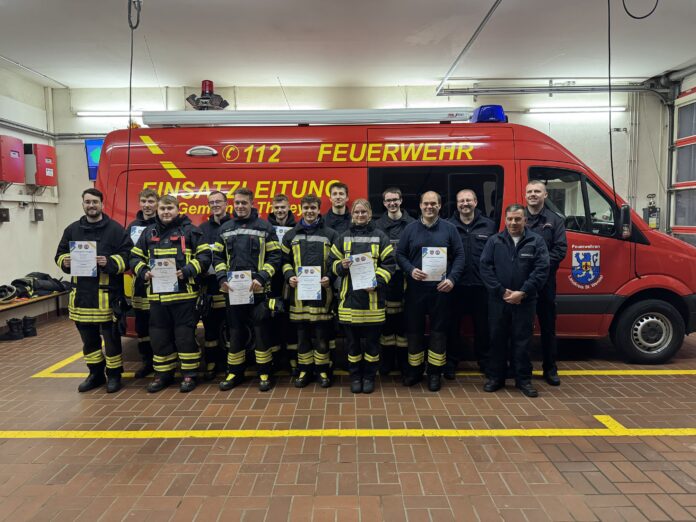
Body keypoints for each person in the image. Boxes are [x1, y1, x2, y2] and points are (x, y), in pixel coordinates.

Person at [130, 194, 211, 393]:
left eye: (170, 208)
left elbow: (205, 256)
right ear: (157, 210)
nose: (166, 212)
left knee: (185, 337)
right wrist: (143, 271)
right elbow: (134, 257)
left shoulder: (191, 231)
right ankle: (163, 375)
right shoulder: (149, 233)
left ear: (178, 209)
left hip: (184, 297)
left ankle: (189, 374)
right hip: (157, 298)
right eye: (163, 209)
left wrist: (187, 271)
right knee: (159, 337)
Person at [55, 188, 132, 393]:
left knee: (112, 341)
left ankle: (114, 375)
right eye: (87, 202)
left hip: (107, 297)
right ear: (83, 204)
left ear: (102, 204)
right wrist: (66, 261)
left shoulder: (115, 230)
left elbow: (127, 257)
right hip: (81, 296)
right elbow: (59, 254)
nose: (91, 206)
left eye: (95, 202)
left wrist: (109, 261)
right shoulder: (72, 229)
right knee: (89, 341)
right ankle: (95, 374)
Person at [213, 187, 281, 392]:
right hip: (233, 291)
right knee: (235, 333)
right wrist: (222, 278)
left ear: (252, 203)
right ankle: (234, 372)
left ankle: (264, 372)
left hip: (259, 291)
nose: (240, 206)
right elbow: (217, 257)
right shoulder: (224, 229)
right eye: (237, 203)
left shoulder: (265, 228)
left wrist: (262, 278)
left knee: (261, 332)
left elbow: (275, 256)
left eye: (244, 202)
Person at [396, 191, 465, 392]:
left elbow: (460, 256)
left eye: (433, 203)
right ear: (420, 205)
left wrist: (452, 279)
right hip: (416, 290)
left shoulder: (450, 229)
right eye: (426, 203)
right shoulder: (410, 229)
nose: (429, 207)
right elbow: (400, 254)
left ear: (439, 205)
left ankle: (435, 374)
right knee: (414, 332)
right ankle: (414, 372)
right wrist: (410, 269)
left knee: (438, 333)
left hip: (441, 291)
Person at [480, 204, 549, 398]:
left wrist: (523, 292)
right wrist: (501, 291)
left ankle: (523, 380)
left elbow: (542, 269)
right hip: (498, 301)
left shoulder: (536, 241)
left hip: (525, 302)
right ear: (505, 219)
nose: (513, 222)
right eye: (510, 219)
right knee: (497, 340)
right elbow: (485, 267)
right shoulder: (494, 241)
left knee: (522, 342)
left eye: (517, 219)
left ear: (525, 220)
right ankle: (496, 378)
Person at [329, 199, 395, 393]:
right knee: (353, 345)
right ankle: (355, 376)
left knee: (373, 345)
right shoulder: (343, 238)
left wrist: (377, 282)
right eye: (356, 212)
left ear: (369, 213)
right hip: (349, 302)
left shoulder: (380, 237)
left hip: (373, 302)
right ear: (352, 215)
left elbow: (390, 265)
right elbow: (331, 263)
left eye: (363, 212)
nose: (360, 215)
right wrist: (341, 266)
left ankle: (369, 377)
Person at [281, 195, 338, 388]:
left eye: (313, 207)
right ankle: (305, 369)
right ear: (300, 209)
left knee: (321, 336)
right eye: (306, 208)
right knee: (302, 336)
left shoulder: (331, 234)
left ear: (319, 209)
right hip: (298, 296)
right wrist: (289, 276)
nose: (309, 211)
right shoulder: (290, 235)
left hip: (323, 295)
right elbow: (283, 261)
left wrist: (330, 276)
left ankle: (322, 370)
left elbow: (336, 261)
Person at [445, 189, 497, 379]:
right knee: (452, 327)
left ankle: (484, 362)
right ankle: (451, 362)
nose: (464, 204)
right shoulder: (447, 226)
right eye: (461, 201)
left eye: (468, 200)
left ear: (476, 202)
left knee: (483, 327)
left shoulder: (489, 226)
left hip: (481, 287)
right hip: (454, 286)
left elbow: (494, 257)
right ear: (457, 204)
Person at [525, 180, 567, 386]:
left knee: (548, 328)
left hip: (545, 283)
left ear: (545, 195)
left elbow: (560, 250)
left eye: (537, 191)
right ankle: (522, 369)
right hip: (522, 283)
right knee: (522, 328)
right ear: (525, 195)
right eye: (530, 191)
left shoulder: (555, 220)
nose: (533, 194)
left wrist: (538, 268)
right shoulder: (519, 217)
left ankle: (550, 369)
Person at [374, 187, 414, 375]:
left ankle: (405, 364)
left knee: (405, 323)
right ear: (384, 203)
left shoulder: (413, 224)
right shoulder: (377, 227)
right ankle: (387, 362)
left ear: (401, 200)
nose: (392, 203)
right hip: (387, 282)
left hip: (408, 281)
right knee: (387, 323)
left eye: (395, 200)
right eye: (388, 200)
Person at [197, 190, 232, 380]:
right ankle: (212, 363)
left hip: (230, 285)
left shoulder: (233, 226)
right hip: (210, 286)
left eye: (219, 201)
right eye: (212, 202)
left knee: (230, 326)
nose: (215, 205)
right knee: (210, 327)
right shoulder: (202, 229)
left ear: (227, 204)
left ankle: (229, 362)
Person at [126, 188, 159, 378]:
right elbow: (128, 253)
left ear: (157, 203)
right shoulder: (132, 227)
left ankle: (164, 361)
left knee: (161, 324)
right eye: (144, 201)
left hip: (160, 283)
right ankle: (147, 362)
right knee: (142, 327)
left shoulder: (164, 223)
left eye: (151, 201)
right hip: (139, 283)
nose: (147, 205)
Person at [267, 194, 298, 375]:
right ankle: (276, 359)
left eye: (283, 207)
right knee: (273, 319)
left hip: (292, 279)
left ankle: (293, 359)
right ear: (272, 209)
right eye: (277, 207)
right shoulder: (265, 227)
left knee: (291, 319)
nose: (280, 210)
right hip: (272, 280)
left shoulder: (297, 228)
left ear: (289, 208)